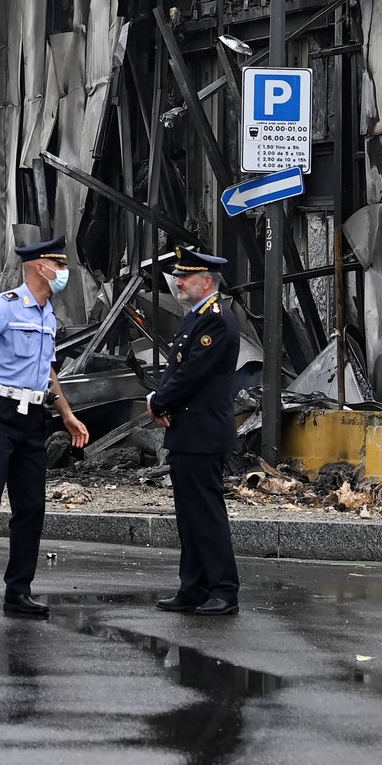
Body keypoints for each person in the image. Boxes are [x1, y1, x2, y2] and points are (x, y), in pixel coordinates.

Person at [0, 236, 91, 617]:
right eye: (57, 265)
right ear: (39, 267)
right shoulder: (6, 306)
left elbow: (48, 370)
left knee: (31, 507)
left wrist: (66, 413)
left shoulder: (48, 315)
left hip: (34, 418)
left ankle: (19, 590)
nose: (63, 272)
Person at [146, 246, 242, 615]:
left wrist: (159, 402)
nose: (178, 282)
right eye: (178, 276)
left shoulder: (215, 319)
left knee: (206, 513)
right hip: (188, 430)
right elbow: (178, 370)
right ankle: (193, 586)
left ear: (207, 281)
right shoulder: (196, 316)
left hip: (203, 432)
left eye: (185, 277)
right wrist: (160, 399)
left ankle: (223, 589)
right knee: (188, 515)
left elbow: (192, 373)